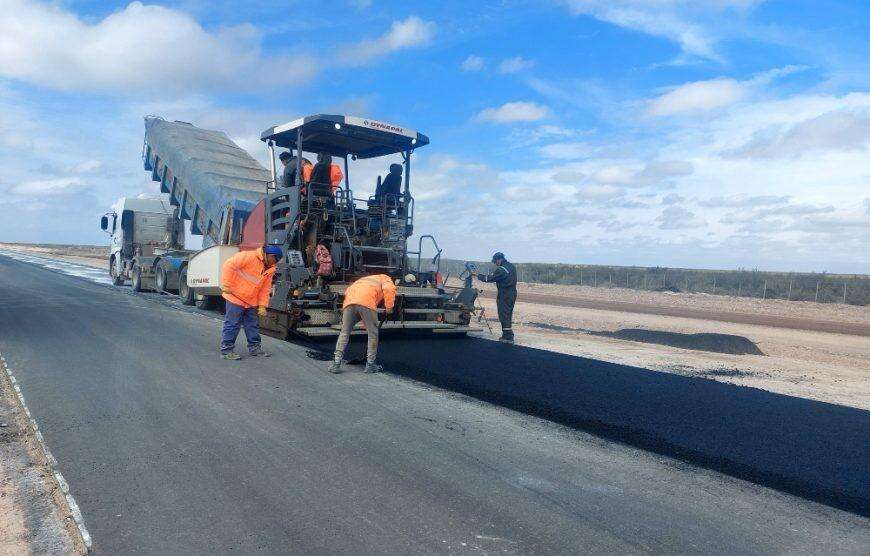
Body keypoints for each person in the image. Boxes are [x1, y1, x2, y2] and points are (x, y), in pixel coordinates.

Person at [219, 245, 282, 359]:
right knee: (233, 324)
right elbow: (229, 265)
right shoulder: (249, 256)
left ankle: (255, 349)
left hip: (251, 301)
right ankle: (227, 351)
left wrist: (262, 306)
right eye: (276, 259)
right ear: (270, 255)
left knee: (253, 325)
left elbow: (265, 289)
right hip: (235, 297)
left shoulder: (270, 268)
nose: (276, 263)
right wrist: (226, 284)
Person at [329, 274, 397, 374]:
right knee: (373, 333)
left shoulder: (365, 279)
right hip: (367, 302)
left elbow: (348, 290)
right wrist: (389, 308)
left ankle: (336, 363)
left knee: (344, 332)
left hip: (350, 302)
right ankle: (370, 365)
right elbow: (389, 289)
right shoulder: (386, 279)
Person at [475, 252, 517, 343]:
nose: (495, 263)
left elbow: (489, 279)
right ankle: (507, 335)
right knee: (508, 313)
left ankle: (508, 337)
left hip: (504, 294)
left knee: (503, 314)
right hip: (512, 293)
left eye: (495, 261)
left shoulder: (501, 270)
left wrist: (477, 275)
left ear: (499, 259)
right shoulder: (511, 266)